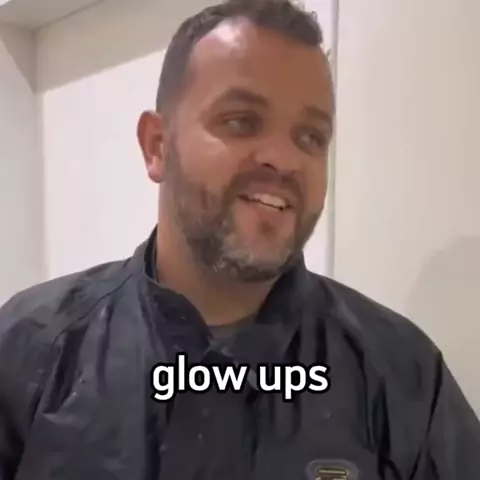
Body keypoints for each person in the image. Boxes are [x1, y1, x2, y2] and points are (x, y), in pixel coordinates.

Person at [1, 0, 479, 478]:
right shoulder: (29, 350)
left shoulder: (403, 378)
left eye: (311, 136)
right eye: (241, 121)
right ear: (157, 146)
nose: (284, 159)